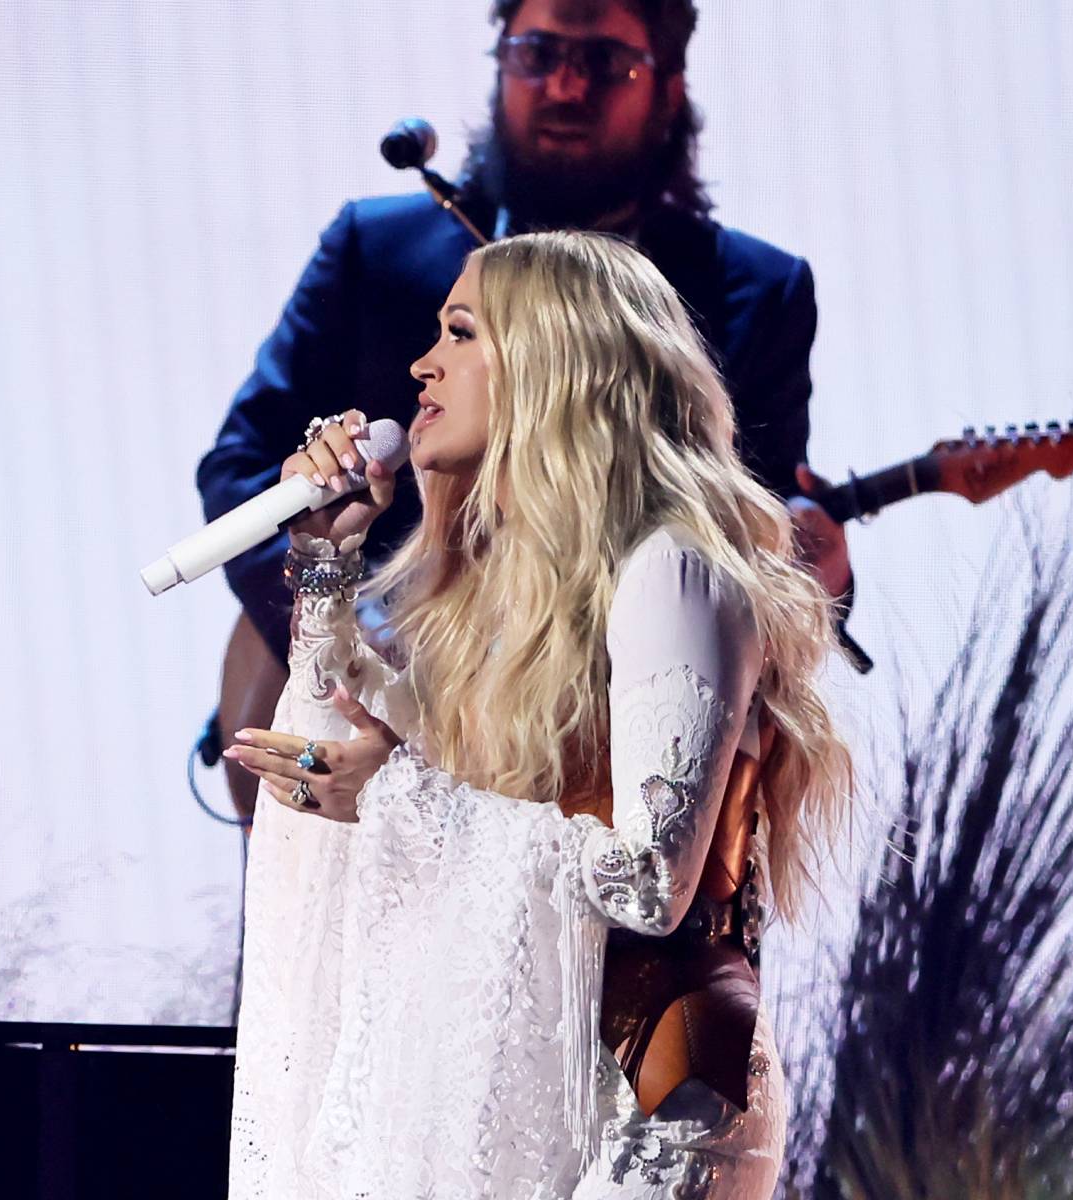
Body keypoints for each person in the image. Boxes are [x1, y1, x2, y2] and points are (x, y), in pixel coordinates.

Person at [222, 232, 851, 1197]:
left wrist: (390, 796)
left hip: (661, 1103)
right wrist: (324, 562)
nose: (422, 364)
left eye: (461, 333)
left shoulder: (672, 568)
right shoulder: (514, 596)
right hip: (552, 1079)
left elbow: (650, 883)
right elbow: (356, 738)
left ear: (556, 361)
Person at [198, 0, 854, 822]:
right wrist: (348, 624)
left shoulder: (751, 291)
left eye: (606, 63)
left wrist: (811, 569)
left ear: (671, 88)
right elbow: (237, 468)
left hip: (583, 733)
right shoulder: (378, 248)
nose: (566, 86)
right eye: (538, 52)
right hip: (378, 693)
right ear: (499, 59)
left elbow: (753, 541)